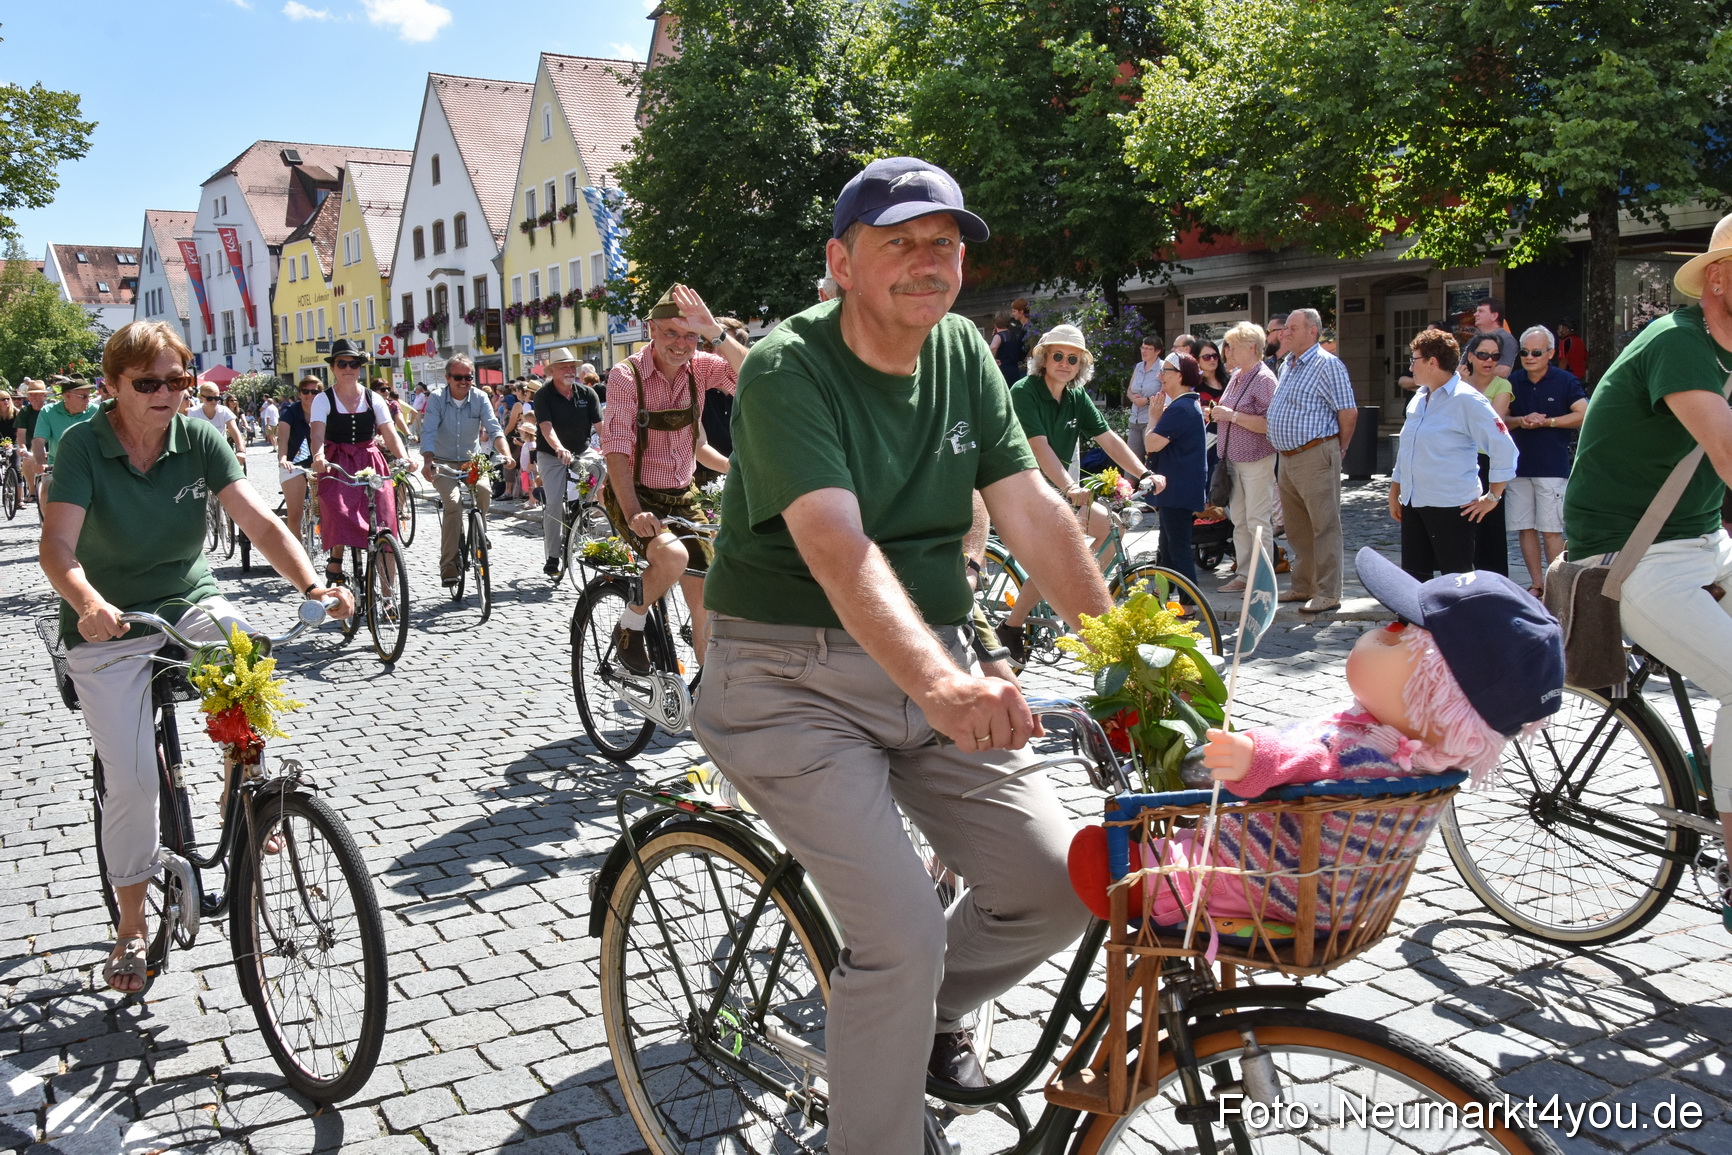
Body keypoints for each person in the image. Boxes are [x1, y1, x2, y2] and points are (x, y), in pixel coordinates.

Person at [693, 155, 1105, 1155]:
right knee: (901, 936)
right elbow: (836, 547)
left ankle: (921, 1020)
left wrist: (1134, 656)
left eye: (946, 242)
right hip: (785, 676)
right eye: (900, 241)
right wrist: (945, 684)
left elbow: (1035, 515)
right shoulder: (787, 368)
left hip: (934, 659)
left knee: (1056, 885)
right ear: (839, 261)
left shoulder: (962, 351)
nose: (930, 260)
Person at [38, 320, 353, 992]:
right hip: (107, 622)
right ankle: (129, 924)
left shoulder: (200, 438)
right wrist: (88, 602)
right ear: (113, 386)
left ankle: (241, 785)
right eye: (147, 382)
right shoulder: (81, 445)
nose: (165, 393)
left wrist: (313, 583)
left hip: (184, 600)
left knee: (245, 656)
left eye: (176, 380)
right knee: (133, 778)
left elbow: (260, 521)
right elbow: (56, 547)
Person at [1073, 548, 1563, 930]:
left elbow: (1307, 761)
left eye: (1395, 629)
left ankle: (1154, 888)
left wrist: (1251, 756)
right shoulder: (1417, 758)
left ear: (1435, 692)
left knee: (1122, 861)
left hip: (1275, 880)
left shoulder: (1370, 756)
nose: (1377, 631)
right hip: (1323, 885)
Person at [1564, 212, 1732, 927]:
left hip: (1700, 541)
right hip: (1632, 556)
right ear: (1719, 278)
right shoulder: (1682, 345)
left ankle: (1709, 762)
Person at [601, 283, 744, 669]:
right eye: (671, 333)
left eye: (690, 335)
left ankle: (709, 707)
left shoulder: (701, 366)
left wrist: (715, 332)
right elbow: (616, 448)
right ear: (651, 329)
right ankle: (630, 623)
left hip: (683, 493)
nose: (681, 344)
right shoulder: (625, 376)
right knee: (673, 557)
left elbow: (758, 376)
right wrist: (633, 512)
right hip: (633, 491)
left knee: (707, 599)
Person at [997, 324, 1158, 661]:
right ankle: (1011, 626)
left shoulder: (1075, 396)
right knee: (1057, 557)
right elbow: (1038, 447)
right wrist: (1069, 485)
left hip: (1055, 490)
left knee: (1112, 526)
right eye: (1057, 355)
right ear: (1043, 358)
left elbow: (1109, 438)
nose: (1065, 362)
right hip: (1018, 487)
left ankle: (1072, 589)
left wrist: (1144, 471)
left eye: (1073, 358)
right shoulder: (1025, 391)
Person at [1388, 329, 1517, 582]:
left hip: (1452, 507)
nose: (1410, 367)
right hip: (1414, 502)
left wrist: (1493, 496)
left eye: (1414, 360)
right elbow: (1407, 450)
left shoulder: (1468, 400)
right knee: (1414, 577)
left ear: (1432, 362)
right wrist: (1395, 491)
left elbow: (1503, 447)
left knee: (1456, 580)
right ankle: (1415, 623)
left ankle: (1459, 623)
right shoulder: (1419, 398)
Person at [1265, 308, 1358, 613]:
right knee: (1297, 529)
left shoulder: (1328, 365)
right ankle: (1303, 585)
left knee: (1324, 526)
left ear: (1312, 332)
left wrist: (1337, 449)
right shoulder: (1287, 365)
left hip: (1315, 453)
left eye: (1292, 328)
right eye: (1284, 329)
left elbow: (1348, 412)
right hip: (1288, 458)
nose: (1284, 333)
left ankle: (1329, 592)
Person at [307, 339, 416, 584]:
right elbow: (317, 434)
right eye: (342, 363)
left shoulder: (373, 398)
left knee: (385, 519)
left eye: (354, 363)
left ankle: (388, 595)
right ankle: (336, 557)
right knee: (337, 507)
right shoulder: (323, 399)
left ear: (360, 367)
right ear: (333, 368)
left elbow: (389, 433)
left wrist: (405, 458)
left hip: (370, 459)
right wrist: (319, 456)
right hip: (337, 460)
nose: (348, 368)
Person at [1507, 325, 1587, 595]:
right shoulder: (1513, 381)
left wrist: (1549, 422)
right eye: (1524, 352)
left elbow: (1584, 413)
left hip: (1552, 468)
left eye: (1536, 352)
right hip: (1518, 467)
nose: (1529, 357)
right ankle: (1537, 585)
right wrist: (1522, 420)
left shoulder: (1565, 381)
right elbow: (1499, 419)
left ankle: (1557, 588)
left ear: (1550, 353)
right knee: (1525, 528)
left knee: (1551, 530)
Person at [420, 353, 509, 586]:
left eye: (468, 377)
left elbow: (494, 429)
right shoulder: (437, 399)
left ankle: (481, 533)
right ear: (448, 378)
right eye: (458, 377)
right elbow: (428, 431)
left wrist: (506, 454)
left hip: (472, 460)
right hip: (443, 461)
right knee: (453, 504)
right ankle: (449, 565)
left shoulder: (480, 398)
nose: (464, 382)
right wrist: (428, 460)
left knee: (484, 490)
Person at [1210, 321, 1278, 591]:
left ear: (1252, 348)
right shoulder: (1238, 375)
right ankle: (1244, 575)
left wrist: (1232, 416)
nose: (1228, 352)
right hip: (1233, 461)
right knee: (1238, 518)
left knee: (1257, 520)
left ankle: (1262, 580)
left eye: (1233, 347)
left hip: (1256, 459)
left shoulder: (1263, 378)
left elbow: (1270, 423)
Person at [533, 348, 605, 573]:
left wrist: (612, 448)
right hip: (551, 454)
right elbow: (546, 428)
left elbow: (601, 428)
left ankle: (581, 507)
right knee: (554, 504)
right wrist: (560, 449)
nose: (569, 370)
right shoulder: (543, 395)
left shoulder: (587, 394)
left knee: (600, 468)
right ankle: (553, 557)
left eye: (572, 366)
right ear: (552, 370)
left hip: (581, 450)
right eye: (563, 366)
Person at [1143, 352, 1207, 586]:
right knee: (1167, 549)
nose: (1160, 376)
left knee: (1177, 550)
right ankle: (1165, 599)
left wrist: (1152, 418)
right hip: (1176, 489)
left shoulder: (1181, 407)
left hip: (1177, 490)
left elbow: (1151, 443)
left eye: (1165, 371)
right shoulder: (1186, 404)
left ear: (1180, 376)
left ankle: (1188, 605)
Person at [1461, 333, 1515, 575]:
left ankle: (1494, 582)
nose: (1489, 360)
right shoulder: (1456, 383)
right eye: (1483, 354)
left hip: (1487, 460)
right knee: (1461, 522)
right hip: (1459, 459)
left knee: (1490, 526)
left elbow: (1493, 421)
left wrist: (1460, 391)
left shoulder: (1502, 385)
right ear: (1471, 356)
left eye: (1495, 356)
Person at [276, 378, 320, 541]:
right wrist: (283, 458)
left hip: (319, 463)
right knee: (295, 514)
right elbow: (283, 438)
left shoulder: (325, 411)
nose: (310, 395)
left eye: (315, 391)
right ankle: (298, 553)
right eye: (305, 391)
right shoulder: (290, 412)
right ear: (300, 393)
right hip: (294, 464)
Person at [31, 378, 96, 477]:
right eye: (84, 397)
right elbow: (38, 441)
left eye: (89, 396)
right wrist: (40, 462)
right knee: (45, 490)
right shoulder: (48, 411)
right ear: (68, 396)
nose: (88, 400)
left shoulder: (96, 411)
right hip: (58, 466)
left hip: (88, 465)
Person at [187, 383, 246, 461]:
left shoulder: (224, 410)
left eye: (217, 398)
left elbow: (234, 430)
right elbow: (191, 434)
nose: (214, 401)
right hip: (201, 453)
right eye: (209, 398)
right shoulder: (193, 412)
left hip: (220, 450)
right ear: (201, 398)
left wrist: (241, 450)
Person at [1126, 335, 1163, 456]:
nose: (1143, 351)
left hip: (1151, 421)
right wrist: (1133, 398)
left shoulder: (1163, 368)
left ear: (1157, 351)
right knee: (1132, 459)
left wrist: (1146, 401)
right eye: (1142, 347)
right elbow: (1129, 390)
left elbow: (1165, 393)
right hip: (1135, 419)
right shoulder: (1139, 366)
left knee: (1151, 458)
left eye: (1148, 348)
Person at [1473, 296, 1519, 378]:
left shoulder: (1506, 339)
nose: (1475, 314)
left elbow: (1503, 371)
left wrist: (1471, 377)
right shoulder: (1475, 339)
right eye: (1477, 311)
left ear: (1494, 316)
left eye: (1481, 311)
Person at [17, 379, 48, 498]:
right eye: (31, 394)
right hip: (32, 447)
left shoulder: (50, 410)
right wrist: (22, 447)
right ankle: (32, 490)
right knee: (27, 459)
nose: (33, 397)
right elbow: (21, 433)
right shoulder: (25, 412)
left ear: (44, 395)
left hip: (51, 446)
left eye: (36, 394)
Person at [989, 309, 1026, 384]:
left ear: (995, 323)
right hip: (1014, 370)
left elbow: (992, 348)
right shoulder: (1012, 335)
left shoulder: (999, 336)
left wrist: (992, 360)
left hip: (1003, 371)